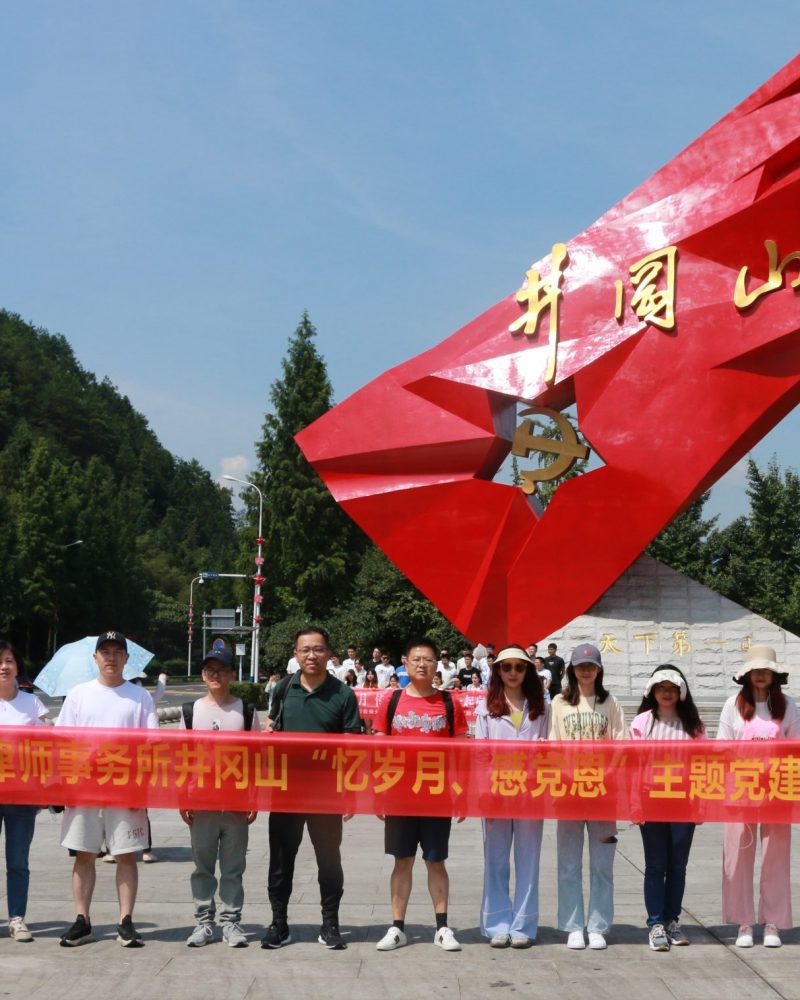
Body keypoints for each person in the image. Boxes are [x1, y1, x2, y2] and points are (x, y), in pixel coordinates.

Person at [56, 630, 157, 948]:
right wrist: (66, 788)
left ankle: (126, 921)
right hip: (84, 789)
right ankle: (82, 919)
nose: (111, 657)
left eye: (117, 652)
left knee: (126, 855)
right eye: (105, 652)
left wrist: (141, 790)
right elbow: (61, 743)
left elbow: (151, 746)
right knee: (84, 854)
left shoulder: (140, 697)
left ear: (126, 658)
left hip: (125, 789)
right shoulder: (78, 694)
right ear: (95, 657)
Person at [263, 627, 361, 951]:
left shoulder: (342, 694)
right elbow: (271, 729)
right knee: (280, 861)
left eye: (318, 649)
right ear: (295, 654)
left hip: (326, 794)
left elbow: (352, 749)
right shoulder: (283, 688)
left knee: (329, 861)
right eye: (304, 650)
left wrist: (350, 794)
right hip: (286, 791)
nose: (311, 655)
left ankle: (330, 923)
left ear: (329, 654)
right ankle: (279, 923)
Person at [373, 638, 468, 953]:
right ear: (405, 663)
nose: (422, 664)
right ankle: (397, 928)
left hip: (437, 795)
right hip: (399, 794)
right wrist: (379, 792)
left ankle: (442, 928)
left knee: (436, 861)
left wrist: (462, 794)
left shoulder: (449, 702)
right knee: (402, 861)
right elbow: (378, 749)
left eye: (428, 659)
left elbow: (462, 752)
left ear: (436, 664)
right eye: (416, 659)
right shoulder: (391, 701)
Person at [717, 645, 800, 949]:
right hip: (740, 790)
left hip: (777, 790)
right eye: (756, 670)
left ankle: (773, 922)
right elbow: (721, 747)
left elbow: (795, 747)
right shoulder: (732, 705)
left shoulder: (788, 706)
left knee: (775, 857)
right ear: (747, 675)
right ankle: (744, 923)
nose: (761, 675)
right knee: (738, 856)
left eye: (767, 670)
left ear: (775, 675)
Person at [180, 649, 260, 948]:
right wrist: (183, 797)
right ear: (203, 675)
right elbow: (182, 758)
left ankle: (231, 922)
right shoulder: (190, 711)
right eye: (210, 670)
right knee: (202, 866)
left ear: (232, 674)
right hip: (202, 801)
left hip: (235, 802)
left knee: (233, 867)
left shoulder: (245, 710)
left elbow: (255, 758)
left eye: (222, 670)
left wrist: (253, 797)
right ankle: (204, 922)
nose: (216, 675)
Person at [549, 642, 625, 950]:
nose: (586, 671)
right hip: (569, 792)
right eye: (580, 666)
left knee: (602, 864)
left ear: (599, 670)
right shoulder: (559, 702)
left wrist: (608, 775)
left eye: (591, 666)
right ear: (571, 670)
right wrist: (566, 776)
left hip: (603, 794)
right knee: (568, 863)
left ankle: (598, 925)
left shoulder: (610, 702)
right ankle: (572, 925)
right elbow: (553, 742)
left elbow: (621, 743)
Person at [475, 645, 548, 948]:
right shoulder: (486, 706)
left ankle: (523, 925)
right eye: (507, 667)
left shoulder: (541, 706)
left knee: (529, 859)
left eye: (520, 667)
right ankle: (497, 924)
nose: (513, 673)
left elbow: (550, 748)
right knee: (495, 860)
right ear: (498, 671)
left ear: (528, 670)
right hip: (497, 791)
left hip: (531, 792)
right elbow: (480, 752)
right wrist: (483, 789)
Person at [629, 665, 705, 951]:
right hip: (652, 799)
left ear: (681, 692)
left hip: (683, 799)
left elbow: (703, 763)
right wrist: (635, 803)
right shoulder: (643, 722)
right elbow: (633, 766)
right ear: (652, 691)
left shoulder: (693, 725)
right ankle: (656, 924)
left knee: (678, 866)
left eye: (672, 688)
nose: (666, 693)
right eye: (661, 688)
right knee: (655, 865)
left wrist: (700, 802)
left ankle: (672, 920)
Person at [0, 641, 48, 942]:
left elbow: (45, 751)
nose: (3, 666)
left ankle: (17, 918)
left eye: (8, 660)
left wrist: (43, 790)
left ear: (17, 666)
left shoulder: (32, 704)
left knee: (18, 860)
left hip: (21, 796)